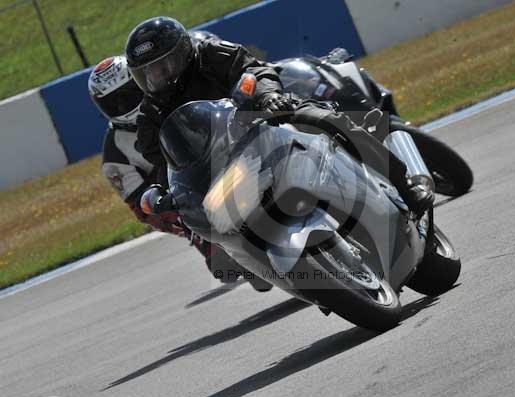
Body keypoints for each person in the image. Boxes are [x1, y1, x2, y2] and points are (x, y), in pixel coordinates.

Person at [125, 16, 434, 216]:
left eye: (162, 66)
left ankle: (405, 186)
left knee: (331, 121)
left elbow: (254, 69)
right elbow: (158, 153)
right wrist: (170, 187)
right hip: (221, 161)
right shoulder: (151, 109)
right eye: (148, 73)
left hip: (262, 116)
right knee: (208, 217)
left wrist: (267, 96)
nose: (157, 77)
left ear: (182, 52)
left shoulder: (211, 54)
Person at [88, 54, 273, 291]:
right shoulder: (115, 156)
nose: (125, 104)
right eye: (114, 102)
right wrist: (178, 215)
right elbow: (142, 208)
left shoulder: (166, 98)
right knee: (225, 266)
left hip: (226, 158)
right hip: (187, 197)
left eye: (129, 93)